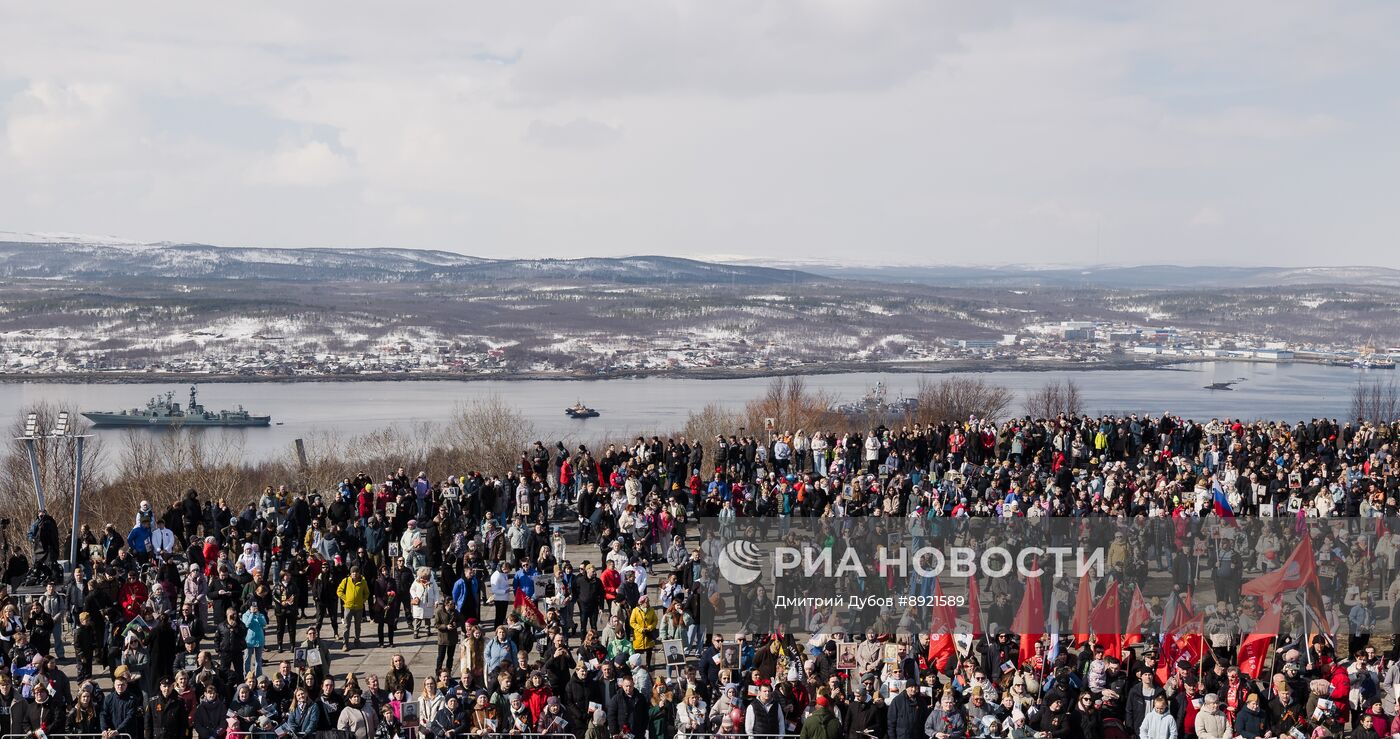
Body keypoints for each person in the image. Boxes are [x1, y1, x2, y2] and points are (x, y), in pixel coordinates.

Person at [338, 566, 371, 651]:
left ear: (359, 573)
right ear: (350, 573)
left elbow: (367, 593)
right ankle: (345, 644)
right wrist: (346, 599)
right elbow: (339, 591)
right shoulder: (346, 580)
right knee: (346, 626)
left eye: (356, 572)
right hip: (348, 607)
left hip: (359, 608)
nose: (354, 574)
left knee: (358, 626)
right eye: (353, 572)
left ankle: (357, 642)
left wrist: (362, 601)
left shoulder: (363, 582)